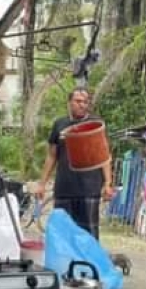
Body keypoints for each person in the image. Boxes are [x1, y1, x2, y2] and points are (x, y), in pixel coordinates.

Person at [35, 88, 113, 238]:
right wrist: (42, 183)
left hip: (89, 190)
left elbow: (105, 156)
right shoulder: (59, 124)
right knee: (63, 235)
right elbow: (52, 156)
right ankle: (65, 262)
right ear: (69, 103)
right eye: (78, 101)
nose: (82, 105)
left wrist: (108, 183)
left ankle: (88, 262)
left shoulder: (96, 124)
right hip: (64, 189)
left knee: (88, 235)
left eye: (85, 102)